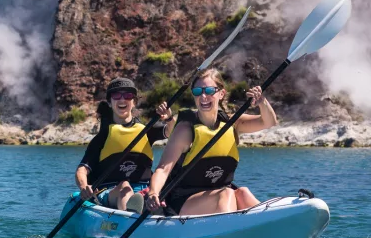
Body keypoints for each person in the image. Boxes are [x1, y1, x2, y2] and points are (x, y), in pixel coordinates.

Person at [145, 68, 278, 216]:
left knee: (242, 193)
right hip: (183, 200)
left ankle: (270, 221)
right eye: (197, 92)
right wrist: (153, 193)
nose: (203, 96)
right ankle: (229, 231)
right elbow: (163, 169)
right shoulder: (185, 131)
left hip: (220, 195)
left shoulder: (232, 123)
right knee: (226, 194)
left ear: (221, 94)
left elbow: (269, 122)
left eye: (209, 90)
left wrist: (262, 102)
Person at [75, 77, 176, 211]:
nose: (122, 99)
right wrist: (83, 186)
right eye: (116, 95)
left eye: (128, 95)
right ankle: (129, 216)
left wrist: (169, 118)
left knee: (159, 191)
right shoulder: (104, 136)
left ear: (134, 102)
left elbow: (172, 132)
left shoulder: (145, 130)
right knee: (125, 187)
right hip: (109, 191)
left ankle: (145, 207)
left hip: (143, 189)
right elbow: (82, 170)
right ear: (110, 102)